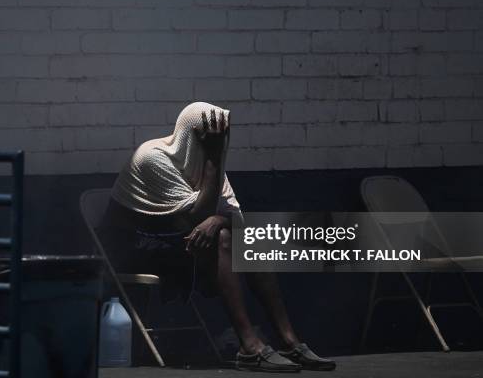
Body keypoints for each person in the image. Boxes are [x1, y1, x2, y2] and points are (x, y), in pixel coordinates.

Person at [101, 102, 335, 372]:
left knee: (248, 239)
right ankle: (250, 346)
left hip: (173, 239)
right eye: (213, 139)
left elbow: (237, 220)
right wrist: (213, 162)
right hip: (134, 247)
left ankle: (289, 340)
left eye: (223, 138)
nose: (220, 144)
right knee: (223, 238)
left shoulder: (206, 164)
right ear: (191, 136)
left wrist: (218, 217)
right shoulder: (153, 156)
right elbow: (197, 218)